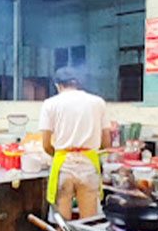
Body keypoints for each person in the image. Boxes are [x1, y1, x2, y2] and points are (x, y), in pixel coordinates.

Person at [39, 67, 111, 220]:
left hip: (64, 166)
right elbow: (106, 142)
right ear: (77, 83)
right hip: (88, 166)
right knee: (89, 223)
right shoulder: (98, 102)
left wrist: (61, 154)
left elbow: (46, 144)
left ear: (58, 85)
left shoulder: (50, 104)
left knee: (63, 225)